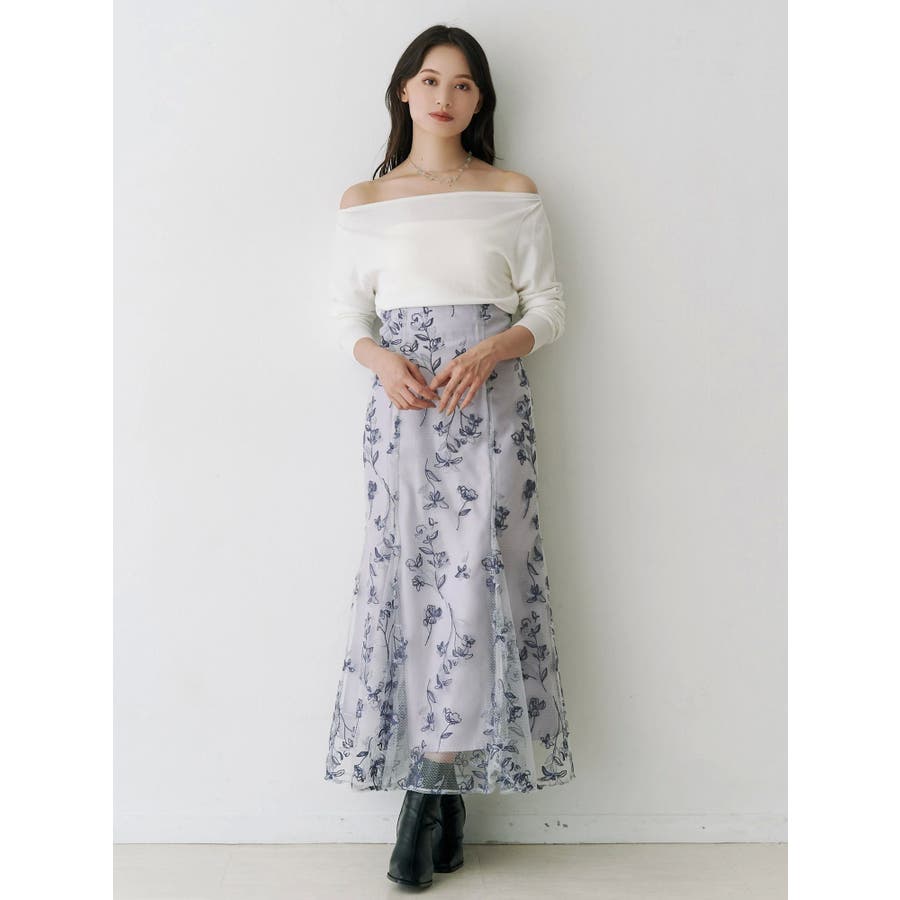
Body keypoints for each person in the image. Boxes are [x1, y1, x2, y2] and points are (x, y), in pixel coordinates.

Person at [323, 24, 576, 889]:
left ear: (479, 101)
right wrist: (382, 361)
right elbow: (345, 315)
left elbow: (548, 306)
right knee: (409, 585)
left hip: (490, 408)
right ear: (404, 90)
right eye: (430, 80)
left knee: (477, 587)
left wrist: (494, 348)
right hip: (406, 413)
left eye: (463, 84)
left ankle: (424, 800)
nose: (444, 96)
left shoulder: (512, 191)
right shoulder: (366, 200)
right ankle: (444, 800)